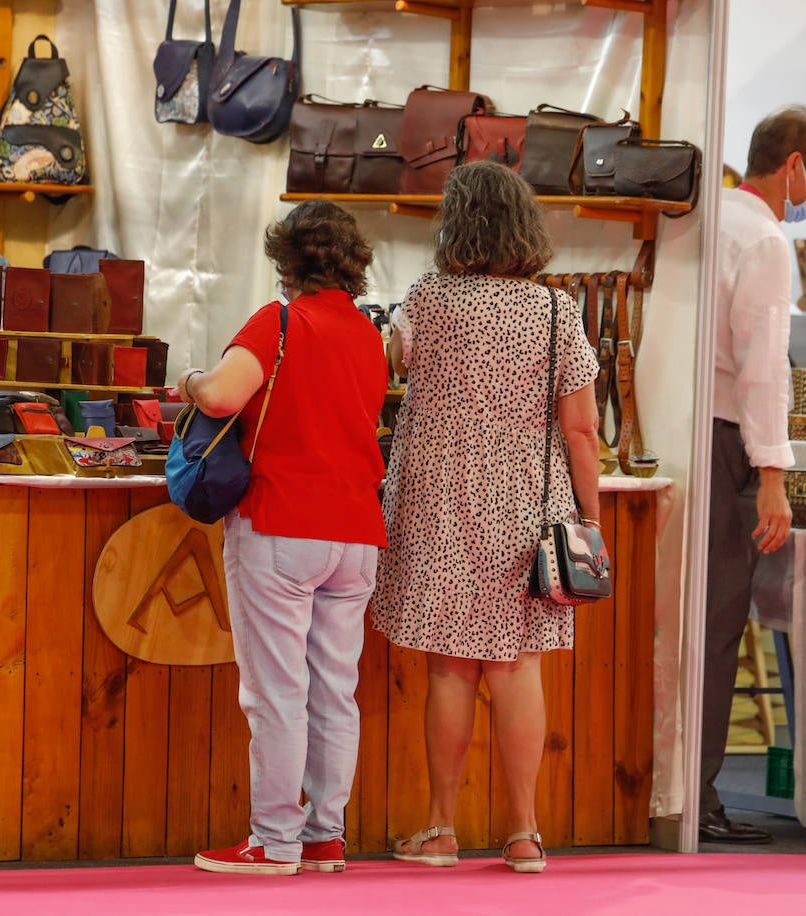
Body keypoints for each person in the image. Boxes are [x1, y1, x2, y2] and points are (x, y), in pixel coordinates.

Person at [371, 160, 601, 874]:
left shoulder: (427, 299)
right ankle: (525, 834)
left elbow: (382, 372)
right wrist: (590, 521)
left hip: (438, 499)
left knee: (450, 671)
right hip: (529, 507)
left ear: (455, 223)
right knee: (519, 666)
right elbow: (583, 428)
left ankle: (441, 828)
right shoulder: (558, 311)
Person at [179, 199, 390, 876]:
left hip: (281, 521)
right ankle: (326, 835)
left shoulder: (278, 323)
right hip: (356, 531)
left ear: (284, 259)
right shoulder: (368, 335)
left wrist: (185, 379)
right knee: (333, 688)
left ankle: (273, 840)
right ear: (351, 261)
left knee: (275, 690)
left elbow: (219, 398)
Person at [700, 105, 806, 844]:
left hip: (696, 435)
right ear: (792, 166)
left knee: (694, 626)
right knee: (720, 626)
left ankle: (681, 788)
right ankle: (699, 796)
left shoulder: (707, 215)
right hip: (731, 444)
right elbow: (761, 372)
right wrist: (774, 471)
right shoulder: (765, 238)